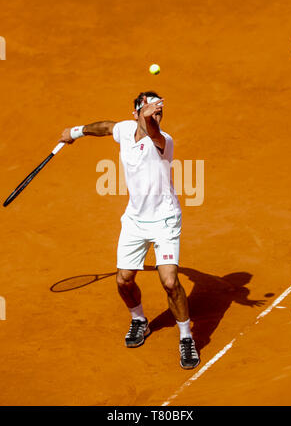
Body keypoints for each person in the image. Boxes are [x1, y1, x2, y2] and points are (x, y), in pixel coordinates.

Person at [60, 91, 200, 369]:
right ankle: (139, 320)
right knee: (124, 280)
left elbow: (155, 134)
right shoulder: (125, 129)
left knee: (170, 282)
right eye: (148, 110)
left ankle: (186, 337)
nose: (154, 115)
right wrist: (75, 132)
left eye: (158, 111)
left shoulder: (163, 140)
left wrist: (151, 120)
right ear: (134, 112)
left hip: (165, 219)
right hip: (134, 220)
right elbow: (105, 127)